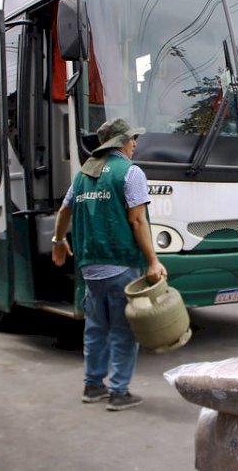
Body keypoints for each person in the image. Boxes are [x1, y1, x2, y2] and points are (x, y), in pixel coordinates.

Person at [51, 118, 167, 411]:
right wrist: (153, 260)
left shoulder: (82, 175)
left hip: (91, 266)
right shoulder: (130, 172)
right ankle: (118, 392)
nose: (135, 143)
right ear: (121, 143)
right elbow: (137, 219)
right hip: (121, 262)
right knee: (123, 331)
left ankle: (92, 385)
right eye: (132, 139)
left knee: (96, 328)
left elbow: (64, 210)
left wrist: (58, 240)